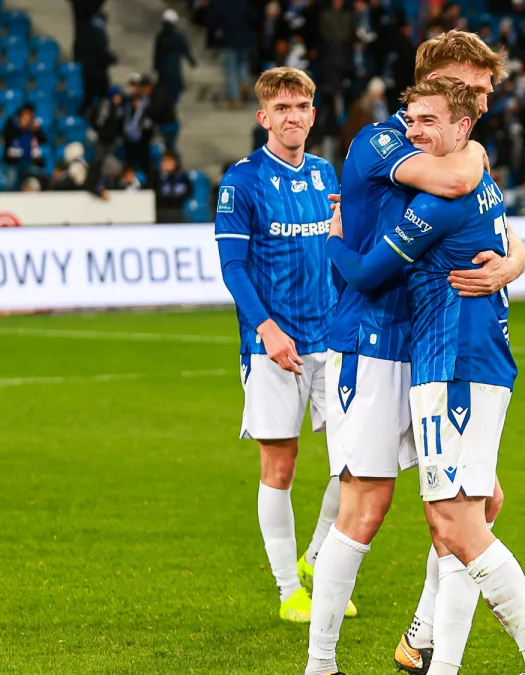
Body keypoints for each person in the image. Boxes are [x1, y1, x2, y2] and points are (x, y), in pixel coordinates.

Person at [322, 75, 525, 675]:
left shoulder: (445, 189)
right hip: (436, 354)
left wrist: (331, 237)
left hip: (451, 358)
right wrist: (512, 258)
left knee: (458, 521)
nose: (415, 131)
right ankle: (427, 658)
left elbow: (368, 270)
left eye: (428, 121)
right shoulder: (451, 165)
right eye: (413, 119)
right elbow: (480, 201)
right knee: (447, 515)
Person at [213, 67, 351, 625]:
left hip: (330, 339)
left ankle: (315, 559)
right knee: (281, 465)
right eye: (282, 108)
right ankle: (289, 589)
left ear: (313, 114)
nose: (292, 116)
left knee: (356, 464)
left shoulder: (325, 173)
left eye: (301, 107)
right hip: (272, 346)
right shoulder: (242, 181)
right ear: (263, 117)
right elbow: (233, 267)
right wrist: (266, 329)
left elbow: (338, 251)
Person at [153, 9, 197, 106]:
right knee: (174, 88)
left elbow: (156, 52)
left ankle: (166, 105)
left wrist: (155, 65)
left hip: (162, 67)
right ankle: (171, 105)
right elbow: (185, 49)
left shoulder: (161, 36)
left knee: (164, 88)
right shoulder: (178, 36)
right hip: (174, 66)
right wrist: (192, 61)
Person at [2, 104, 47, 187]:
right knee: (11, 185)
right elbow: (7, 136)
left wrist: (36, 131)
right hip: (13, 162)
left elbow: (44, 140)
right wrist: (20, 128)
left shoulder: (33, 125)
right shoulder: (12, 122)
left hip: (29, 162)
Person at [155, 151, 193, 222]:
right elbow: (151, 195)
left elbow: (189, 193)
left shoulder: (183, 177)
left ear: (175, 162)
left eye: (170, 161)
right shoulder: (155, 177)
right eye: (165, 161)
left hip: (179, 212)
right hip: (160, 213)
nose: (167, 164)